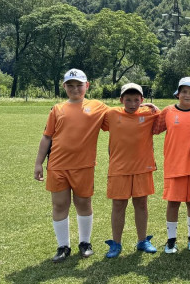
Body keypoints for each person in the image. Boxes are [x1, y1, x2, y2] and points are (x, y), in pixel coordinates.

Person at [34, 69, 108, 262]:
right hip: (57, 165)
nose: (75, 89)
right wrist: (38, 163)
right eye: (70, 85)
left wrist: (143, 107)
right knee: (60, 205)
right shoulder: (57, 109)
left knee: (83, 203)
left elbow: (120, 116)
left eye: (79, 85)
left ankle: (85, 243)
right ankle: (63, 246)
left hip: (84, 166)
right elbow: (47, 137)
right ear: (64, 86)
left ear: (87, 86)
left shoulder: (98, 107)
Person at [101, 83, 160, 258]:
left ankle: (142, 240)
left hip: (142, 168)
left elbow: (164, 118)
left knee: (141, 204)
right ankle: (116, 243)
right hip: (119, 168)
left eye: (136, 100)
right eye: (128, 100)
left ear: (142, 100)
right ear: (121, 100)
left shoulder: (149, 113)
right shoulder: (111, 114)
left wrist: (154, 107)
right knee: (118, 205)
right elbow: (92, 120)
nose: (132, 104)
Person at [153, 76, 190, 254]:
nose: (187, 95)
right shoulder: (168, 111)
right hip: (174, 165)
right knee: (173, 203)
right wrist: (149, 109)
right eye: (184, 91)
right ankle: (171, 240)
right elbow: (155, 128)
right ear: (178, 93)